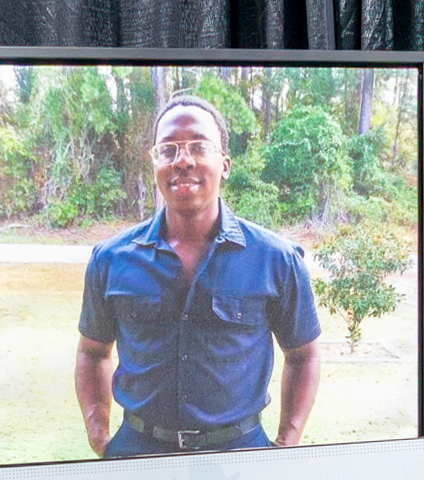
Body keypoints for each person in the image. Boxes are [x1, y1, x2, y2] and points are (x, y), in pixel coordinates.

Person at [76, 93, 322, 457]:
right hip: (136, 455)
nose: (183, 160)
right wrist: (100, 434)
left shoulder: (276, 259)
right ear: (155, 163)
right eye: (169, 149)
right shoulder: (111, 259)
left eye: (198, 146)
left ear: (225, 164)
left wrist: (285, 443)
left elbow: (304, 356)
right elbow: (92, 352)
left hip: (241, 455)